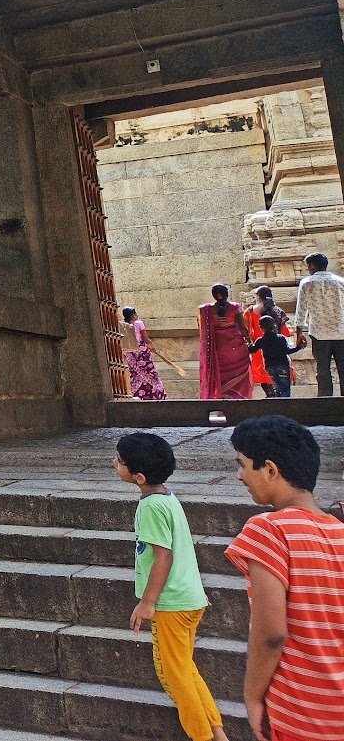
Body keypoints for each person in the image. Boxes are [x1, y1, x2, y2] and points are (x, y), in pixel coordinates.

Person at [225, 416, 344, 741]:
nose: (239, 475)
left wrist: (252, 696)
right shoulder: (340, 532)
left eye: (243, 465)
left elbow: (271, 633)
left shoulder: (268, 530)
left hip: (303, 712)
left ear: (270, 470)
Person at [114, 432, 228, 741]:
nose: (115, 463)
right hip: (188, 600)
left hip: (172, 604)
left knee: (173, 676)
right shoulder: (166, 497)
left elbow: (163, 556)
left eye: (120, 461)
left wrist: (148, 602)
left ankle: (202, 737)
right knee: (184, 669)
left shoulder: (151, 506)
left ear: (138, 477)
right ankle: (216, 732)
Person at [294, 252, 344, 397]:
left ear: (312, 265)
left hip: (319, 334)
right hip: (341, 332)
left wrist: (299, 334)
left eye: (308, 266)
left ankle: (325, 401)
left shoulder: (307, 283)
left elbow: (301, 310)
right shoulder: (341, 282)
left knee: (322, 370)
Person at [199, 284, 253, 400]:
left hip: (217, 348)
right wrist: (249, 341)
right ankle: (237, 399)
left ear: (214, 296)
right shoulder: (235, 307)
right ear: (227, 294)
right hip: (236, 348)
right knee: (240, 374)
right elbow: (242, 328)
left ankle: (221, 396)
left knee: (220, 374)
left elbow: (202, 329)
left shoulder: (205, 310)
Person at [245, 287, 291, 397]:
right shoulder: (277, 311)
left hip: (259, 350)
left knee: (264, 375)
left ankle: (270, 395)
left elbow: (246, 330)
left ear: (258, 297)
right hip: (278, 350)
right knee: (282, 383)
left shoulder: (250, 312)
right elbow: (286, 332)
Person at [249, 315, 306, 399]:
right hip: (282, 365)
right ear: (274, 326)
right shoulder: (280, 338)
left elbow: (252, 350)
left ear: (261, 328)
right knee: (285, 388)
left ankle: (279, 405)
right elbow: (287, 351)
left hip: (270, 367)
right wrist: (298, 347)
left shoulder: (260, 340)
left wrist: (246, 342)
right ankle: (285, 406)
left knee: (277, 387)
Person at [123, 306, 168, 401]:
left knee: (135, 375)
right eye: (135, 314)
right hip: (142, 354)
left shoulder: (124, 326)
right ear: (132, 316)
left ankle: (138, 396)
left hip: (130, 355)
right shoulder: (139, 323)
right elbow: (146, 339)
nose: (137, 315)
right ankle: (158, 395)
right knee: (151, 374)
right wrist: (152, 347)